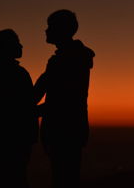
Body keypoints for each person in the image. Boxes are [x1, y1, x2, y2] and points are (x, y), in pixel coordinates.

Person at [34, 10, 95, 188]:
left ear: (61, 30)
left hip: (64, 130)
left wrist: (31, 111)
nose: (46, 31)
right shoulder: (66, 59)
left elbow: (65, 102)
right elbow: (41, 91)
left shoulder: (67, 60)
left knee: (64, 178)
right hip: (69, 129)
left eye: (50, 27)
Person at [0, 29, 38, 188]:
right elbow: (23, 109)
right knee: (15, 178)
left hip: (2, 139)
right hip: (15, 139)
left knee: (5, 176)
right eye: (17, 42)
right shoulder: (15, 73)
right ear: (7, 47)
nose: (21, 45)